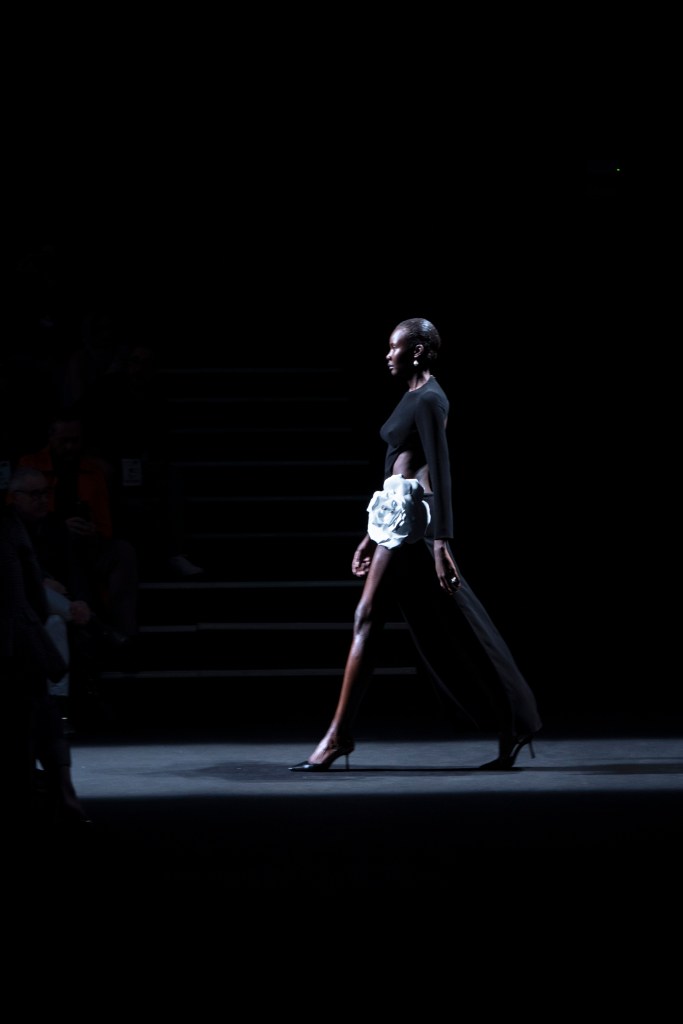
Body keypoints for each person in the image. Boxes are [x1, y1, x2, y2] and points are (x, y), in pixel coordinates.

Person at [290, 318, 542, 772]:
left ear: (419, 350)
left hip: (411, 521)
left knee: (371, 617)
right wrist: (370, 534)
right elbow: (396, 467)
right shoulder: (413, 396)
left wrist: (442, 542)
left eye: (395, 347)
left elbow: (439, 470)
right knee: (452, 624)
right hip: (394, 518)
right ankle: (512, 724)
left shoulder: (429, 398)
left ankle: (338, 737)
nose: (388, 355)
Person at [0, 496, 91, 827]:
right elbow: (33, 593)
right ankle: (62, 788)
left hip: (15, 637)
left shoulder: (16, 526)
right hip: (15, 639)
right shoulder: (9, 525)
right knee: (37, 711)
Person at [16, 413, 140, 639]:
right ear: (51, 438)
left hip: (86, 545)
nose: (70, 446)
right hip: (45, 546)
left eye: (75, 440)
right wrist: (59, 527)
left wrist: (92, 531)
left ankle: (124, 633)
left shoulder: (92, 471)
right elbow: (17, 516)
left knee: (123, 551)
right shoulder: (31, 466)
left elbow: (105, 526)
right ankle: (92, 627)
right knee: (66, 548)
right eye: (64, 440)